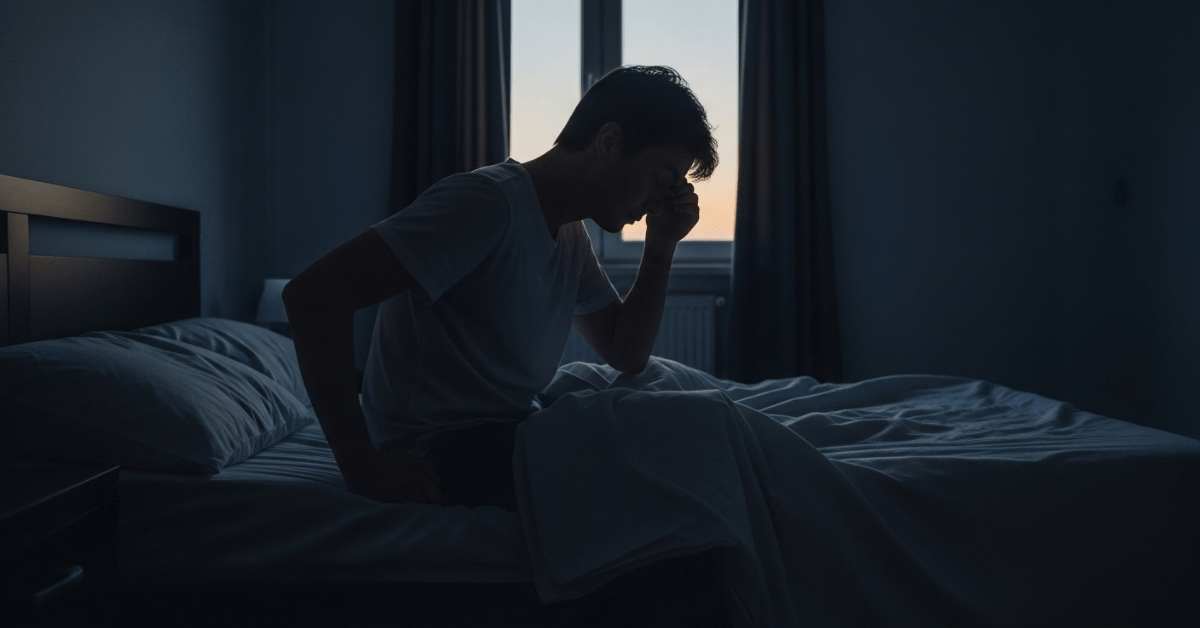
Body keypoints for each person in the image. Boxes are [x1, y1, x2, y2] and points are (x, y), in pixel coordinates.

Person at [283, 65, 718, 508]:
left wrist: (661, 247)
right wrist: (360, 464)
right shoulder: (485, 205)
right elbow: (312, 296)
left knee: (676, 419)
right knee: (664, 460)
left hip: (503, 429)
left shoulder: (568, 235)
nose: (660, 201)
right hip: (436, 448)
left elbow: (626, 352)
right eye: (662, 181)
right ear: (609, 141)